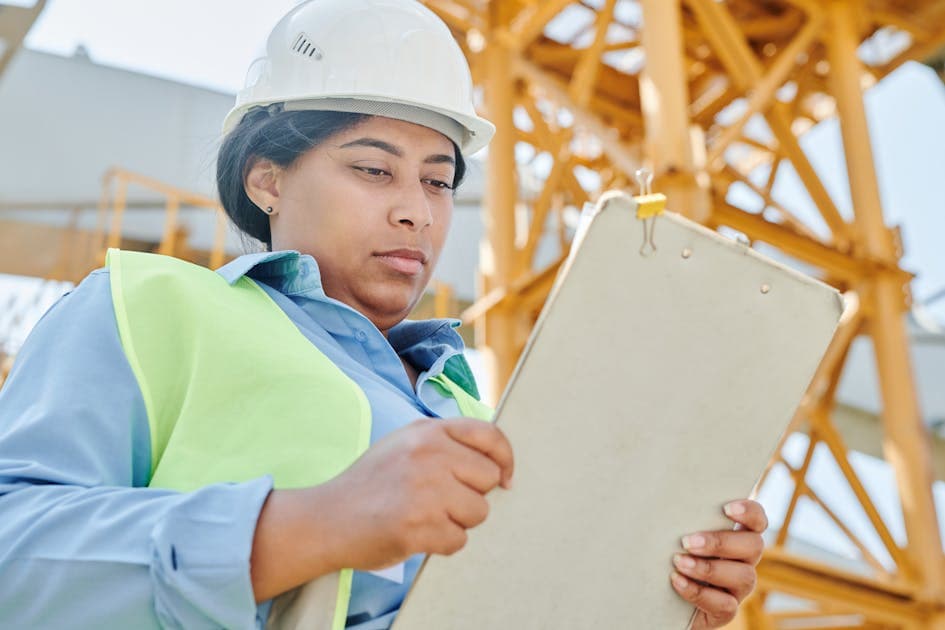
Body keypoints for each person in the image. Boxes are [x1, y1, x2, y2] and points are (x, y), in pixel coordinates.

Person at [0, 0, 767, 628]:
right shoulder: (152, 309)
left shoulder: (471, 406)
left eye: (437, 183)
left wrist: (651, 606)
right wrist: (304, 528)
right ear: (266, 179)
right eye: (373, 170)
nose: (416, 214)